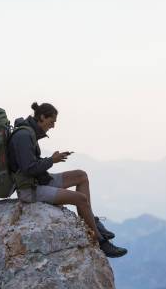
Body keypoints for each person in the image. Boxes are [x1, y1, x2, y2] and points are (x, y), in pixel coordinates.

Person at [7, 101, 127, 258]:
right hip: (29, 190)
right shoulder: (23, 136)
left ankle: (92, 220)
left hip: (39, 180)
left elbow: (29, 165)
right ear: (42, 117)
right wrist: (52, 160)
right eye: (52, 121)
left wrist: (52, 159)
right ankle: (99, 241)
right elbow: (29, 168)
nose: (53, 126)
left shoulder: (29, 133)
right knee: (80, 199)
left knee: (81, 175)